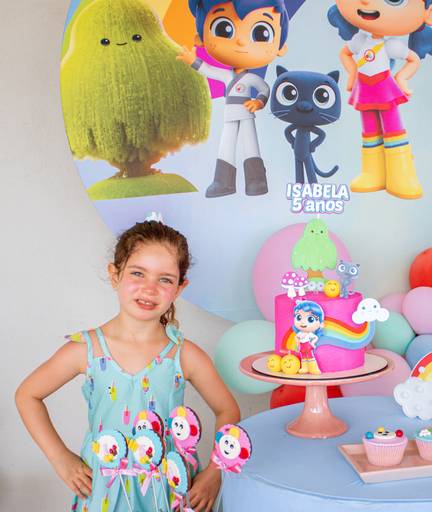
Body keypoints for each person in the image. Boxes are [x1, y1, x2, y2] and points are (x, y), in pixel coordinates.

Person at [15, 220, 240, 512]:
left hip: (169, 491)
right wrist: (60, 458)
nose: (149, 288)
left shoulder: (184, 355)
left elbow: (228, 410)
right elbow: (27, 395)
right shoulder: (86, 350)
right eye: (137, 273)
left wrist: (215, 473)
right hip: (105, 491)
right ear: (115, 275)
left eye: (165, 279)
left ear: (179, 288)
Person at [328, 0, 432, 200]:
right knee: (369, 129)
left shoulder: (392, 45)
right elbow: (344, 53)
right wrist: (352, 73)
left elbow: (413, 59)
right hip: (364, 88)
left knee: (393, 128)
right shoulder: (359, 40)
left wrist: (401, 78)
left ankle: (402, 174)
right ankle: (372, 173)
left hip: (384, 88)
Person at [179, 0, 290, 198]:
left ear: (281, 47)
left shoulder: (251, 78)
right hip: (230, 115)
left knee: (251, 144)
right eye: (224, 29)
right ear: (200, 38)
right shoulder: (226, 76)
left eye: (261, 33)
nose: (241, 42)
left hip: (247, 114)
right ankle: (223, 182)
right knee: (226, 145)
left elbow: (264, 89)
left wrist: (259, 101)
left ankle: (256, 181)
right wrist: (192, 61)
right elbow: (208, 70)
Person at [292, 301, 325, 375]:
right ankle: (304, 368)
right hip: (302, 346)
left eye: (310, 319)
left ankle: (314, 368)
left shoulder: (309, 334)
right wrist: (298, 343)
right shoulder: (300, 333)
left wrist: (312, 343)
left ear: (321, 324)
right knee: (303, 357)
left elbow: (315, 337)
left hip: (308, 346)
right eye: (299, 317)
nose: (303, 322)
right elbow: (296, 337)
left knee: (310, 356)